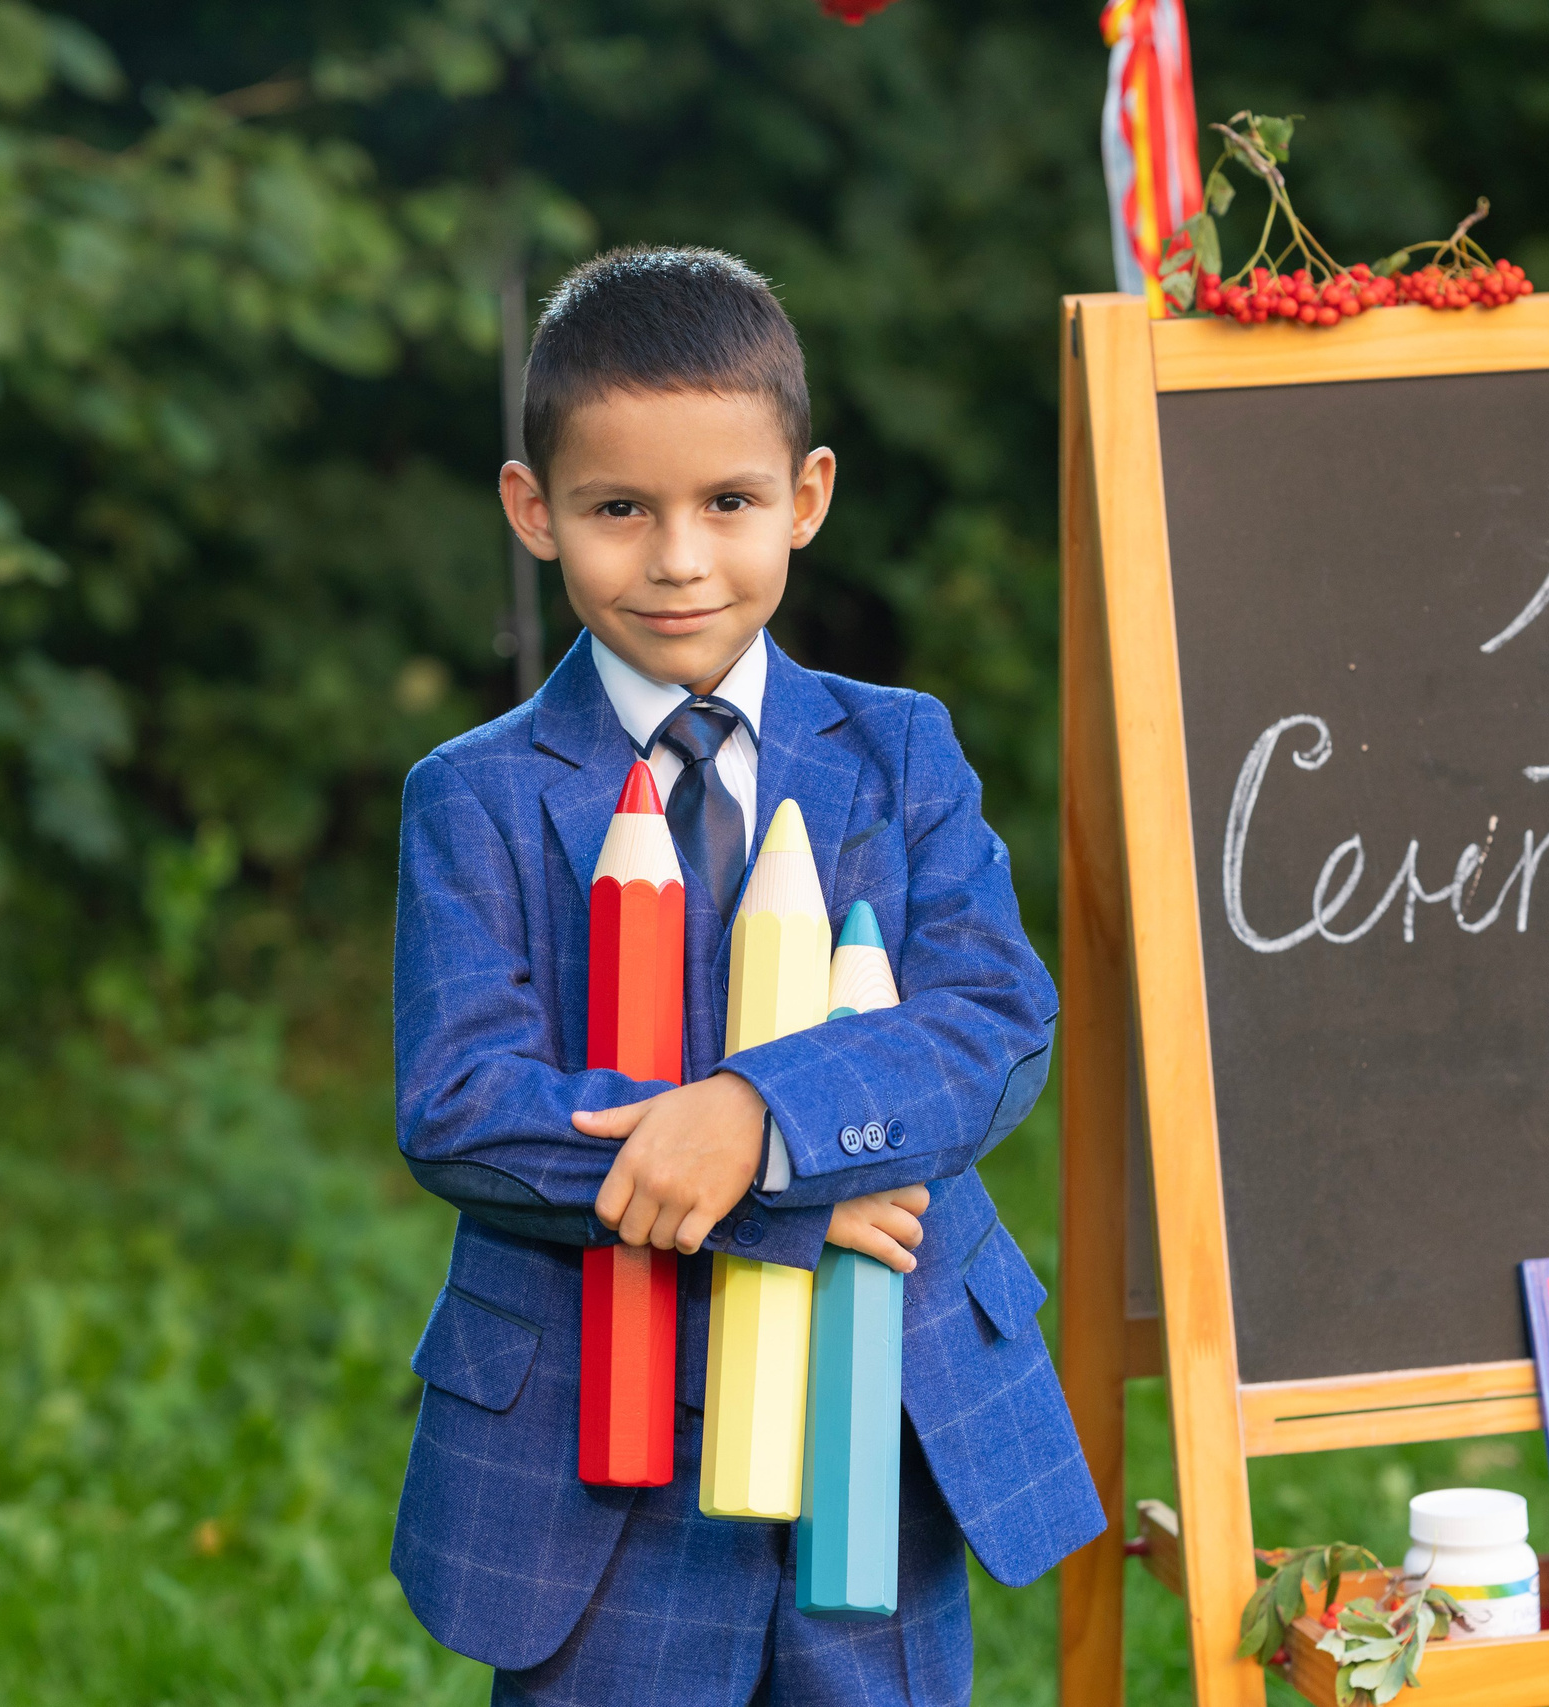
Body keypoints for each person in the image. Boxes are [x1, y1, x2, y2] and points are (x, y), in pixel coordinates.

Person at [389, 246, 1103, 1706]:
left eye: (729, 503)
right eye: (617, 509)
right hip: (606, 1452)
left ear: (809, 496)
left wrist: (759, 1118)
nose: (678, 558)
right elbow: (465, 1100)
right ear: (535, 509)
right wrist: (794, 1187)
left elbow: (992, 1019)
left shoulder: (900, 748)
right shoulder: (472, 794)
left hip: (877, 1408)